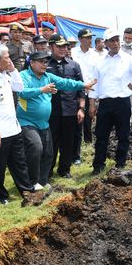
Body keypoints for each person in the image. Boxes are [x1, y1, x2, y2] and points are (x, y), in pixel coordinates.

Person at [16, 51, 95, 188]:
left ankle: (42, 181)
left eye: (46, 62)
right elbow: (22, 92)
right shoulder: (23, 76)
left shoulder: (48, 76)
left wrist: (83, 85)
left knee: (48, 153)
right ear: (32, 63)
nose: (44, 64)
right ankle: (31, 182)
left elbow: (66, 83)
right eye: (41, 61)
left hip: (44, 123)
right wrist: (42, 89)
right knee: (36, 148)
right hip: (27, 122)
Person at [0, 44, 39, 205]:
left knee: (19, 162)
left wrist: (12, 70)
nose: (10, 60)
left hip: (13, 128)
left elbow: (19, 87)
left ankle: (26, 190)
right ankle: (1, 195)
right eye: (7, 58)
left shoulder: (4, 74)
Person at [87, 29, 132, 175]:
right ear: (106, 43)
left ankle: (120, 164)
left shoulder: (129, 59)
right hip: (105, 102)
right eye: (112, 41)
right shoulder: (99, 62)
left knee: (123, 135)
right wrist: (91, 104)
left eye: (117, 40)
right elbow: (94, 84)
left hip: (122, 101)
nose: (115, 43)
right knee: (101, 135)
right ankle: (98, 165)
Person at [46, 35, 85, 179]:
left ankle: (64, 169)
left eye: (65, 46)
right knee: (51, 142)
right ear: (51, 47)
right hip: (50, 110)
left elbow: (81, 88)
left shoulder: (74, 65)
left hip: (70, 109)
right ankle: (47, 170)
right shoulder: (44, 63)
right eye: (59, 46)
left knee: (68, 142)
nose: (63, 49)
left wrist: (81, 108)